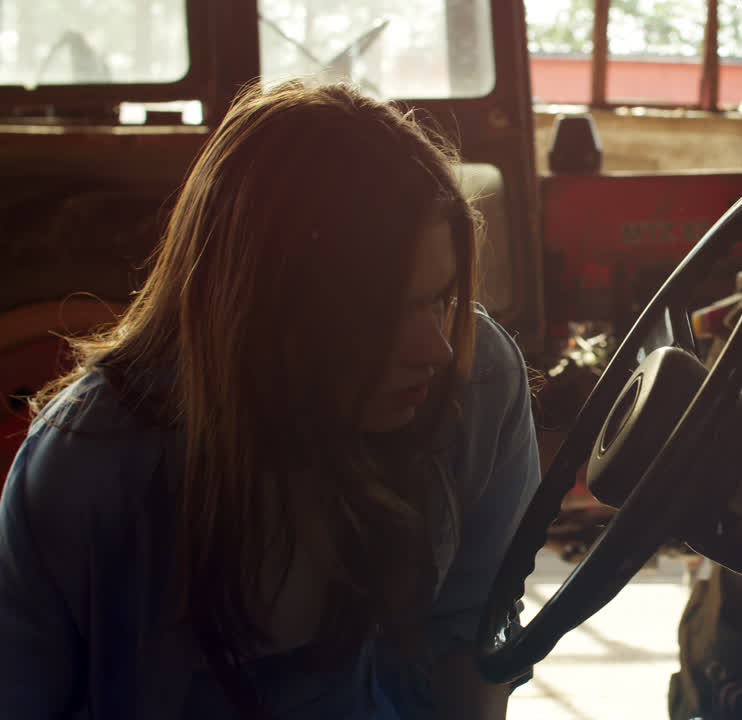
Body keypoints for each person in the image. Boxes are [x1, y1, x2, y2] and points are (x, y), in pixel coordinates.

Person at [0, 82, 540, 719]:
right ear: (259, 311)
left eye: (441, 298)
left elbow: (474, 635)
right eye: (381, 313)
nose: (436, 349)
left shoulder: (475, 384)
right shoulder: (88, 464)